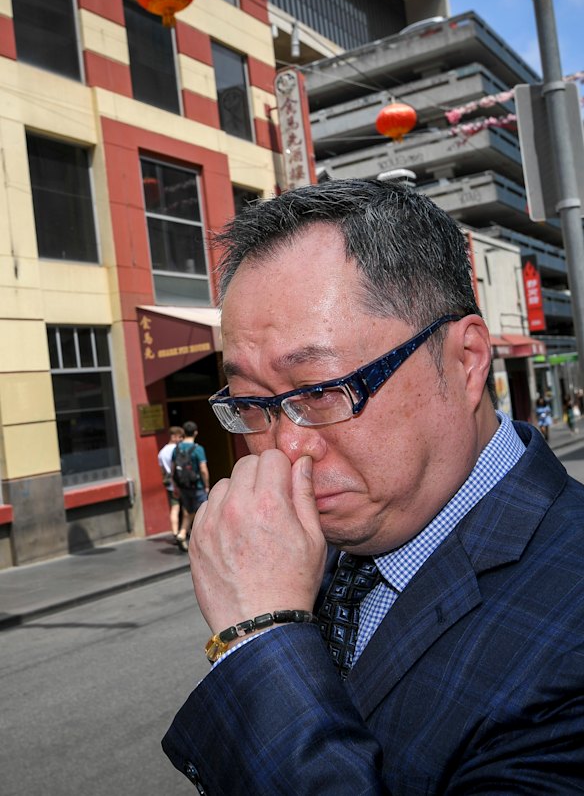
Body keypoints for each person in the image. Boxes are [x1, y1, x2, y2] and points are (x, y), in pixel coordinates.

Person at [162, 179, 584, 793]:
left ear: (464, 361)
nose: (286, 448)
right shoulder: (323, 548)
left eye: (322, 391)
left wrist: (263, 637)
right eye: (252, 404)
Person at [172, 421, 210, 552]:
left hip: (183, 486)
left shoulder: (176, 449)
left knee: (188, 511)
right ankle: (204, 541)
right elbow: (203, 469)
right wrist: (206, 485)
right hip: (197, 486)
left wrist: (175, 485)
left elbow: (173, 469)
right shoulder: (198, 449)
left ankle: (182, 533)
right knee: (204, 512)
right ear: (195, 432)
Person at [157, 426, 184, 539]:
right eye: (180, 437)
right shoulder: (178, 450)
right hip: (181, 482)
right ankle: (184, 531)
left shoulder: (161, 452)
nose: (181, 439)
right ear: (174, 437)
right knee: (187, 507)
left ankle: (175, 532)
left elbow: (162, 470)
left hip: (170, 483)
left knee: (175, 507)